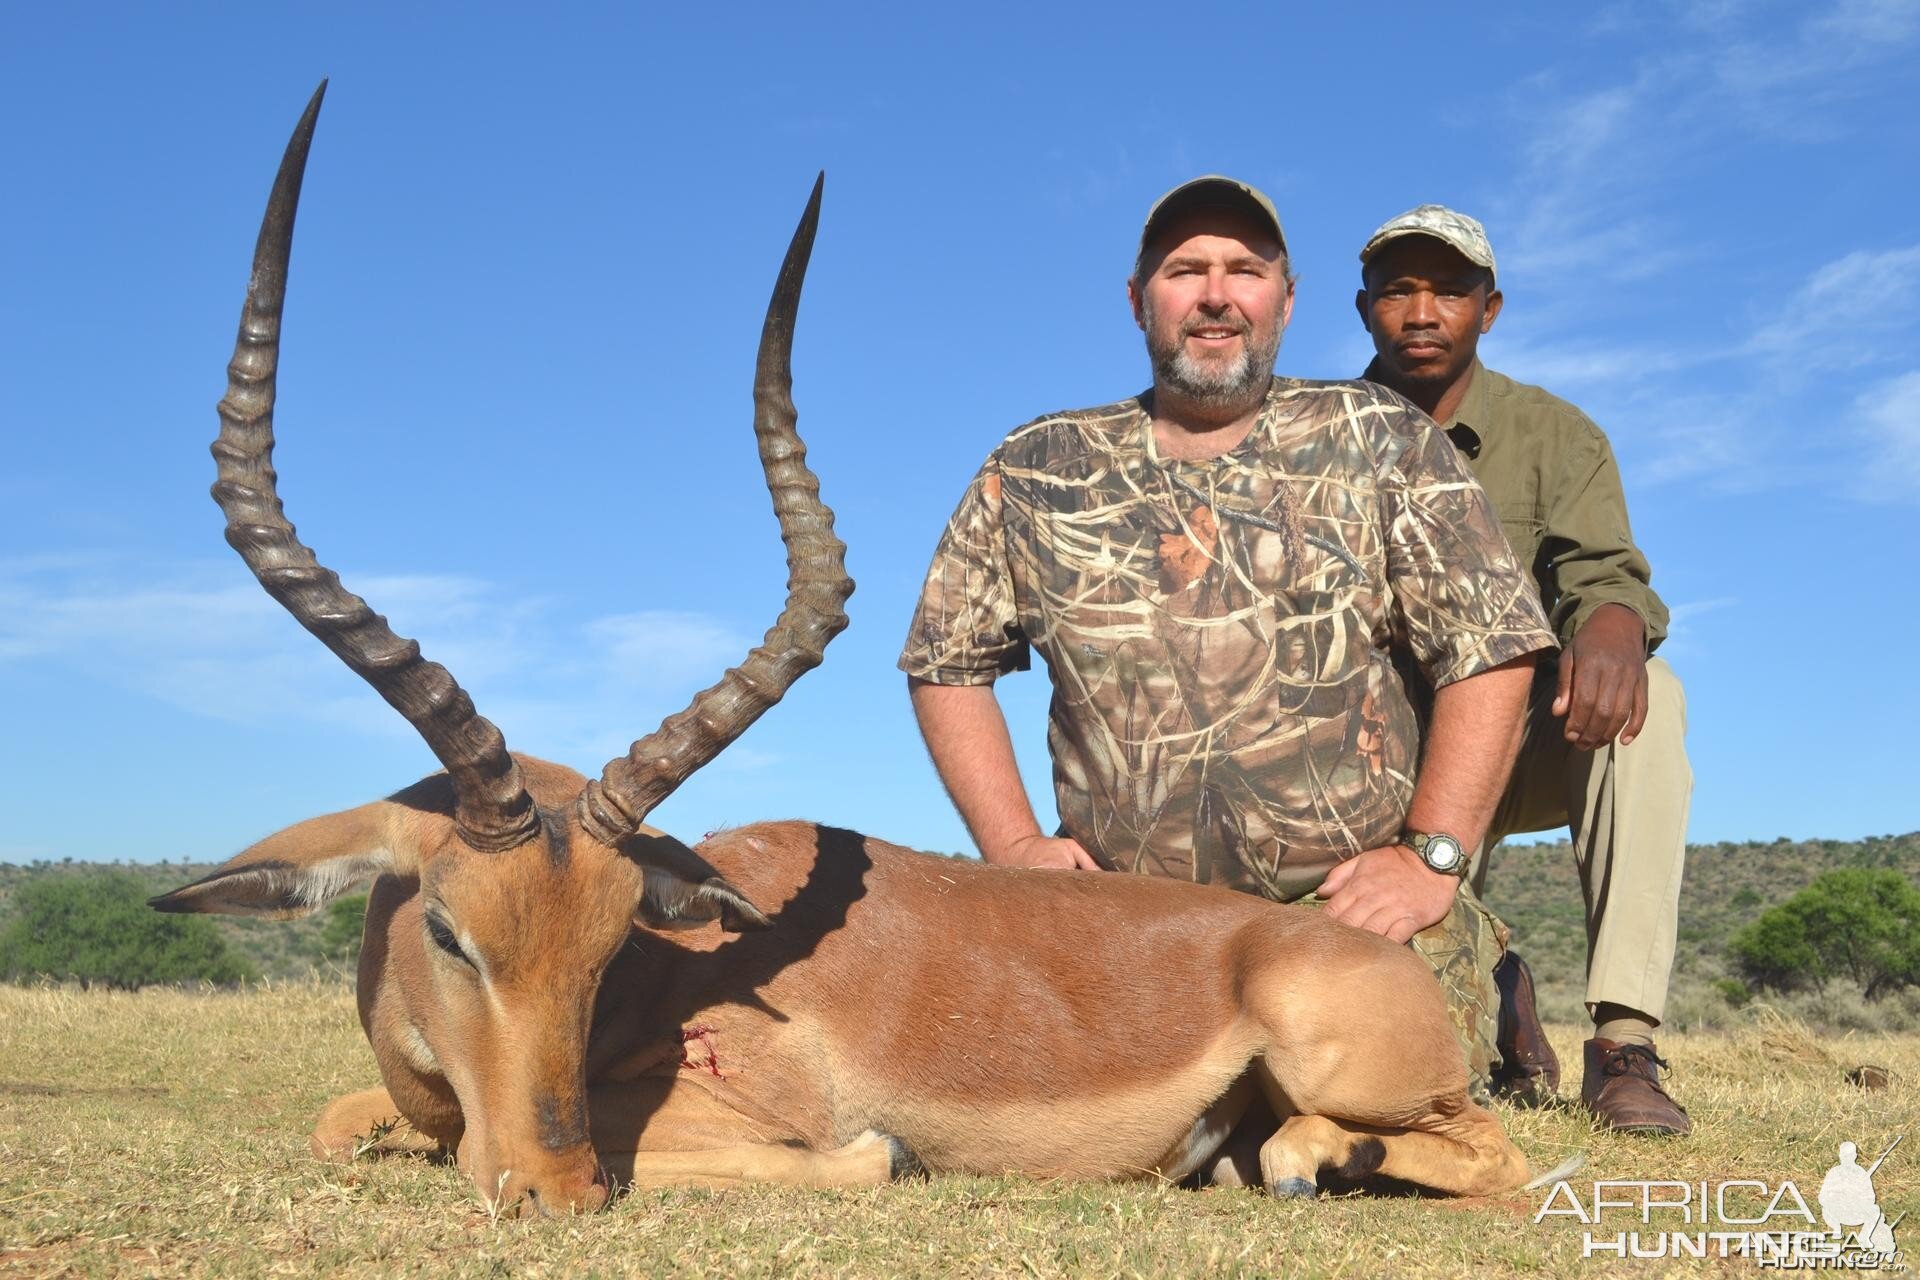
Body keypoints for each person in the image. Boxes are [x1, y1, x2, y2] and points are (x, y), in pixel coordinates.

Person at [899, 176, 1555, 1101]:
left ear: (1285, 301)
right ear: (1138, 301)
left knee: (1374, 1109)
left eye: (1246, 270)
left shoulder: (1380, 435)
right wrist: (1013, 851)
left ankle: (1482, 978)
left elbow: (1493, 647)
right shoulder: (1036, 464)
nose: (1216, 293)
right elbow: (946, 666)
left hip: (1345, 914)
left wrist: (1431, 859)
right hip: (1126, 927)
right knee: (1042, 1113)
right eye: (1184, 270)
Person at [1356, 204, 1693, 1135]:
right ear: (1363, 309)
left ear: (1489, 309)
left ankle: (1624, 1042)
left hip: (1520, 740)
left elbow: (1605, 577)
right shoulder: (1309, 436)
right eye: (1398, 290)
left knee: (1650, 703)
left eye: (1449, 290)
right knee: (1403, 1055)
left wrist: (1617, 628)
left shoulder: (1559, 437)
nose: (1423, 312)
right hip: (1370, 771)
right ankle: (1496, 978)